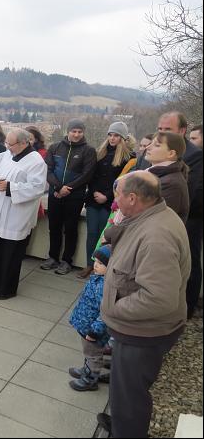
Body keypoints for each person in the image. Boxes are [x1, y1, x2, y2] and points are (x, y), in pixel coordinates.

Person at [97, 171, 190, 438]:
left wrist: (112, 308)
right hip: (135, 329)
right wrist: (119, 224)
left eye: (118, 194)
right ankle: (122, 425)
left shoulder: (156, 236)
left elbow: (158, 299)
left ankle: (127, 432)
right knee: (124, 389)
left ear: (133, 197)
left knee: (131, 395)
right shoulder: (146, 215)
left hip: (142, 332)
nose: (115, 199)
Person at [0, 129, 47, 299]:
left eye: (10, 144)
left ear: (23, 143)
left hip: (15, 215)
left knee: (10, 254)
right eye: (7, 143)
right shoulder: (8, 153)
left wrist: (11, 187)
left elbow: (37, 187)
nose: (7, 147)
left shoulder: (36, 162)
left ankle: (6, 289)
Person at [156, 111, 203, 319]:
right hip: (158, 217)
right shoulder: (157, 148)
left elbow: (191, 193)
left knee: (188, 263)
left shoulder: (194, 155)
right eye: (160, 129)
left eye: (168, 129)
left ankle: (185, 309)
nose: (162, 133)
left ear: (182, 131)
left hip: (186, 221)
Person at [41, 119, 97, 275]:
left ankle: (67, 261)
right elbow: (48, 171)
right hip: (55, 194)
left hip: (75, 196)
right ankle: (53, 257)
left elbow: (87, 175)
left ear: (83, 132)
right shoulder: (55, 148)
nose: (77, 134)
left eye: (80, 132)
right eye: (74, 131)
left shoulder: (89, 151)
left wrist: (68, 189)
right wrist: (58, 188)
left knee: (71, 229)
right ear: (68, 131)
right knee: (54, 227)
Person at [80, 122, 135, 278]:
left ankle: (102, 266)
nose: (112, 138)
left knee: (105, 236)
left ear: (123, 138)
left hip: (111, 202)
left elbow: (122, 182)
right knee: (91, 233)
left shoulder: (129, 158)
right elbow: (90, 175)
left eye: (116, 135)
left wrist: (106, 196)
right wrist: (94, 192)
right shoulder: (99, 153)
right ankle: (89, 265)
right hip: (93, 199)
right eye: (110, 135)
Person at [68, 245, 111, 391]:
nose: (95, 265)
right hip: (86, 324)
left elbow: (105, 312)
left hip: (94, 329)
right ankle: (87, 370)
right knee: (88, 351)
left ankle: (91, 379)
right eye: (95, 261)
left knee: (94, 354)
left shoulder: (106, 286)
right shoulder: (97, 278)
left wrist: (95, 331)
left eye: (100, 263)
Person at [145, 132, 190, 223]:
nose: (147, 147)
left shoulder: (171, 184)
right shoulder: (155, 174)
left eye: (157, 145)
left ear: (171, 153)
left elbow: (154, 220)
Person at [26, 125, 47, 219]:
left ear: (36, 140)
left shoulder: (42, 154)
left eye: (30, 139)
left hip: (32, 189)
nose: (27, 141)